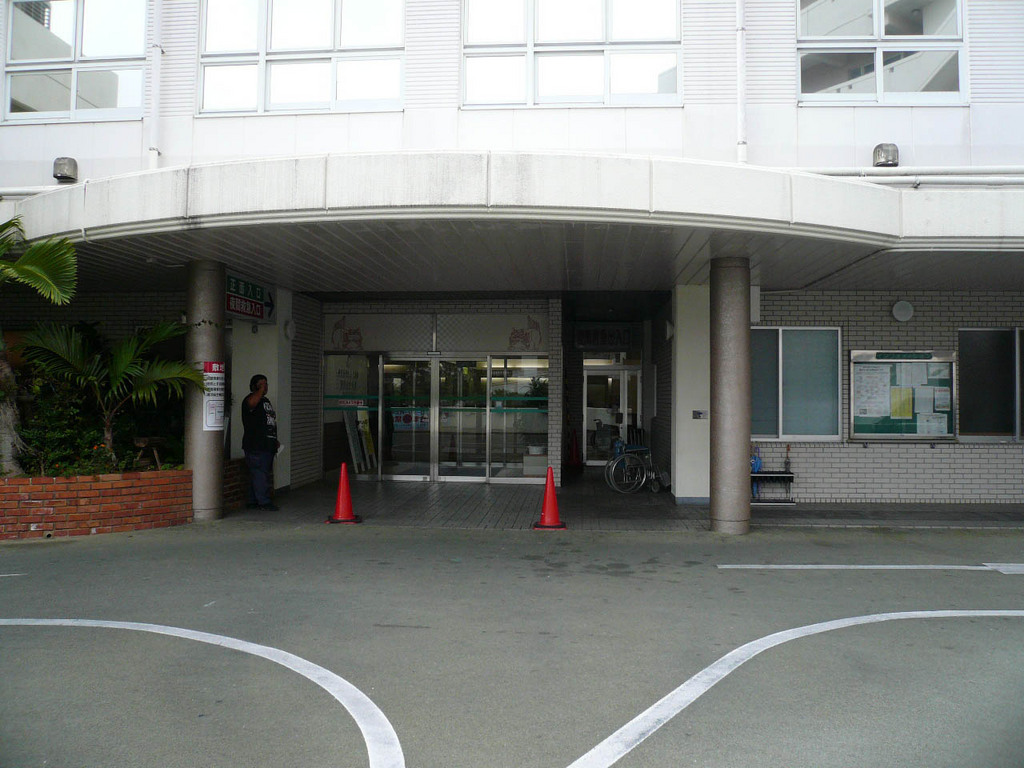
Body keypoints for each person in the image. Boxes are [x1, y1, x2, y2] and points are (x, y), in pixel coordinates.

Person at [242, 374, 279, 510]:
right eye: (261, 384)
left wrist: (274, 439)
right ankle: (264, 502)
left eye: (266, 384)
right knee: (260, 473)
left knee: (258, 473)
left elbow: (269, 422)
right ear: (254, 386)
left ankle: (253, 500)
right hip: (256, 445)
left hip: (267, 444)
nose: (265, 387)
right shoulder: (250, 399)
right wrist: (260, 390)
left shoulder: (265, 401)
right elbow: (251, 404)